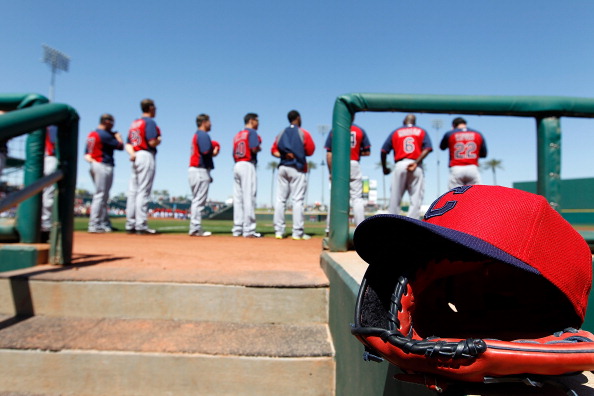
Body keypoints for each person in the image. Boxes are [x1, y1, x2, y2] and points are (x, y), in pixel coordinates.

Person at [271, 110, 315, 240]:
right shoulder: (303, 132)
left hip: (283, 167)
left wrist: (284, 154)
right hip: (297, 167)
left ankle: (279, 231)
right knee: (297, 200)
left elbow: (273, 151)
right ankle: (297, 232)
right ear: (298, 118)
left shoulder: (281, 133)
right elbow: (311, 150)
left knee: (280, 200)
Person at [381, 114, 432, 218]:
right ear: (414, 121)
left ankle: (392, 224)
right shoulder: (421, 131)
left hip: (400, 164)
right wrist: (416, 162)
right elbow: (427, 148)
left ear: (404, 121)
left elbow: (383, 151)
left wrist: (384, 167)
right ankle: (412, 227)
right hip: (415, 164)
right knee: (416, 199)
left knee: (395, 198)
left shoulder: (396, 132)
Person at [324, 123, 371, 232]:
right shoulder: (359, 130)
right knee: (357, 198)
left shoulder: (335, 129)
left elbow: (329, 154)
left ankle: (329, 229)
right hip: (354, 163)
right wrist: (357, 151)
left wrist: (330, 171)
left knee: (335, 197)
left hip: (338, 164)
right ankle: (362, 230)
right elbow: (367, 152)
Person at [125, 99, 161, 235]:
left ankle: (130, 224)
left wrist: (132, 153)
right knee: (143, 191)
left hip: (135, 155)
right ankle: (141, 225)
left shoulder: (135, 123)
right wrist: (159, 140)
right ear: (150, 108)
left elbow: (128, 144)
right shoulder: (149, 122)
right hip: (145, 154)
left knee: (133, 191)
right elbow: (152, 141)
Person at [85, 114, 124, 233]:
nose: (113, 125)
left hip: (94, 164)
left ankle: (103, 222)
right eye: (111, 122)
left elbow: (86, 153)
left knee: (103, 196)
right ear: (106, 122)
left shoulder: (92, 134)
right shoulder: (103, 134)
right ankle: (94, 224)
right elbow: (120, 146)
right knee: (101, 195)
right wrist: (118, 137)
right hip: (102, 164)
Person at [188, 113, 219, 237]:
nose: (211, 124)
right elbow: (206, 151)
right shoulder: (203, 134)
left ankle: (195, 227)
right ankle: (195, 228)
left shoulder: (198, 135)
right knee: (199, 201)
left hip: (196, 170)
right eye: (209, 121)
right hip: (199, 170)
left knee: (197, 200)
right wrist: (214, 150)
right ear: (204, 122)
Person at [232, 113, 262, 238]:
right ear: (251, 121)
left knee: (238, 198)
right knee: (249, 197)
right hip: (247, 164)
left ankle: (238, 228)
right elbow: (254, 147)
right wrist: (259, 148)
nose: (258, 123)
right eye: (257, 121)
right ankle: (249, 229)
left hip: (237, 164)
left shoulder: (238, 135)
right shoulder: (252, 132)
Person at [440, 117, 487, 189]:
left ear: (453, 125)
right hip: (472, 167)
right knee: (475, 195)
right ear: (465, 124)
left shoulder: (450, 133)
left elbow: (442, 147)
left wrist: (452, 131)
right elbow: (484, 154)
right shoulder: (477, 134)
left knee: (455, 196)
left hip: (456, 167)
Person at [41, 125, 58, 234]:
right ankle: (45, 222)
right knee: (48, 192)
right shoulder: (52, 126)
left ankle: (43, 222)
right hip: (50, 157)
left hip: (41, 158)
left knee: (42, 191)